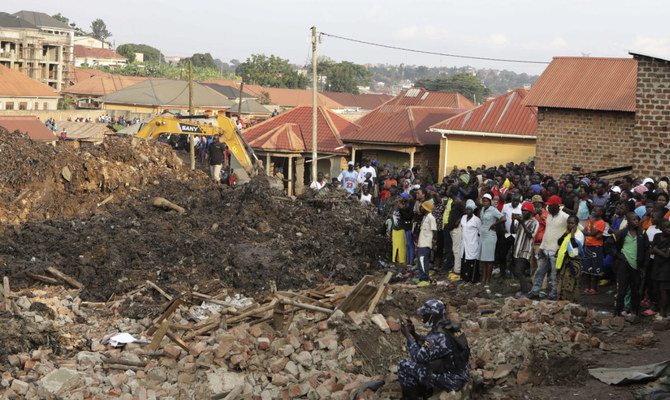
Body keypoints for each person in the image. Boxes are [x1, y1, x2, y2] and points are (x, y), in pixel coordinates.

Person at [397, 299, 470, 398]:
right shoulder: (449, 327)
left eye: (425, 315)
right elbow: (429, 344)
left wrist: (408, 337)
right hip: (460, 374)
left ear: (433, 315)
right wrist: (414, 334)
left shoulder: (437, 337)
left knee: (404, 365)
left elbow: (418, 357)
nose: (423, 318)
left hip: (451, 380)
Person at [606, 212, 649, 319]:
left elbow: (647, 250)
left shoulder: (642, 234)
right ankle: (618, 311)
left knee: (635, 290)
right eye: (633, 220)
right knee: (622, 290)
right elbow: (608, 243)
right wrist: (618, 255)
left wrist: (644, 267)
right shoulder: (622, 233)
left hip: (637, 266)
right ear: (628, 222)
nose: (636, 221)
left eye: (637, 219)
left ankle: (634, 311)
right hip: (624, 265)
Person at [528, 195, 569, 300]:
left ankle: (554, 294)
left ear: (557, 206)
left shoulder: (564, 216)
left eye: (550, 206)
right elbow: (547, 232)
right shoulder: (549, 216)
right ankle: (535, 291)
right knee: (539, 272)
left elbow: (578, 227)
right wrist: (542, 247)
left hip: (556, 250)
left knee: (554, 275)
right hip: (545, 249)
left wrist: (565, 238)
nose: (548, 208)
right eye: (548, 206)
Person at [478, 193, 506, 292]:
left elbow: (503, 218)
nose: (485, 203)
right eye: (484, 201)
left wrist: (495, 224)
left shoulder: (493, 210)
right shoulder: (482, 209)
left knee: (489, 259)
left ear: (490, 202)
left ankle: (487, 281)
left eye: (486, 201)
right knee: (483, 258)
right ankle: (483, 279)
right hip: (483, 234)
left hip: (490, 235)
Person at [511, 202, 539, 296]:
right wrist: (512, 221)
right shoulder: (520, 220)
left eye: (525, 211)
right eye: (522, 211)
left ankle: (525, 291)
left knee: (519, 271)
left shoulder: (534, 222)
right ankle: (523, 290)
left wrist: (522, 223)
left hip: (525, 250)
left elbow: (530, 235)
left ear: (530, 212)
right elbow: (512, 231)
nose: (523, 213)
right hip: (516, 249)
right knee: (518, 271)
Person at [556, 215, 585, 302]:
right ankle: (562, 299)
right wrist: (566, 233)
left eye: (572, 223)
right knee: (562, 280)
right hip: (565, 261)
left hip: (574, 262)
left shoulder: (579, 234)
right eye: (568, 223)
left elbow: (575, 245)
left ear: (576, 224)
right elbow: (559, 242)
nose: (570, 225)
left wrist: (572, 234)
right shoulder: (567, 233)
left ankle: (571, 300)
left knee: (570, 281)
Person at [582, 206, 606, 294]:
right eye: (593, 210)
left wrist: (591, 224)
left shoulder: (601, 223)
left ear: (601, 213)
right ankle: (588, 287)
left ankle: (594, 288)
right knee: (587, 267)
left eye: (596, 210)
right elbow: (584, 232)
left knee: (596, 267)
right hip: (588, 246)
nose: (593, 212)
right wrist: (591, 233)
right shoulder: (590, 221)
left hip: (596, 247)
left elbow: (592, 232)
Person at [651, 219, 670, 319]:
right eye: (667, 227)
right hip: (657, 266)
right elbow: (651, 250)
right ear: (661, 228)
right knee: (657, 289)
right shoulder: (657, 236)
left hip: (666, 269)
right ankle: (659, 308)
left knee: (664, 290)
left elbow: (667, 256)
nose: (669, 229)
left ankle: (663, 311)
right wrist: (660, 250)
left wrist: (656, 249)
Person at [416, 201, 437, 287]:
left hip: (426, 243)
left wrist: (434, 242)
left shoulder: (431, 218)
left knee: (423, 261)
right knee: (421, 261)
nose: (421, 208)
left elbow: (434, 231)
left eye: (423, 207)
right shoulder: (425, 217)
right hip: (421, 243)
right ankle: (422, 277)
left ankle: (425, 279)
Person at [460, 199, 481, 283]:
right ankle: (465, 279)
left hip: (473, 243)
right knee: (465, 260)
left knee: (472, 261)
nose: (468, 211)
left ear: (473, 210)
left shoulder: (476, 220)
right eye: (467, 209)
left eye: (470, 209)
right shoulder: (463, 217)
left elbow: (480, 232)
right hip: (464, 243)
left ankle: (473, 280)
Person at [392, 193, 411, 264]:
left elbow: (406, 215)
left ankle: (402, 260)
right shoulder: (395, 205)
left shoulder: (405, 207)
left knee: (401, 245)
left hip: (401, 228)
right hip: (395, 228)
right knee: (395, 245)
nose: (399, 198)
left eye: (401, 197)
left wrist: (401, 206)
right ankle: (395, 259)